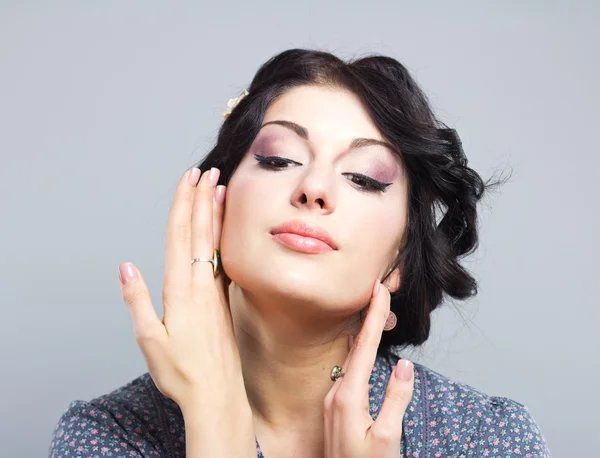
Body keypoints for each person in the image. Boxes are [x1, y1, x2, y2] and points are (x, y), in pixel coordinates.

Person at [48, 48, 550, 457]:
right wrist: (214, 411)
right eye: (278, 158)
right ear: (215, 205)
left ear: (400, 256)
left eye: (363, 178)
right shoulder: (110, 434)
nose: (314, 188)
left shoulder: (482, 439)